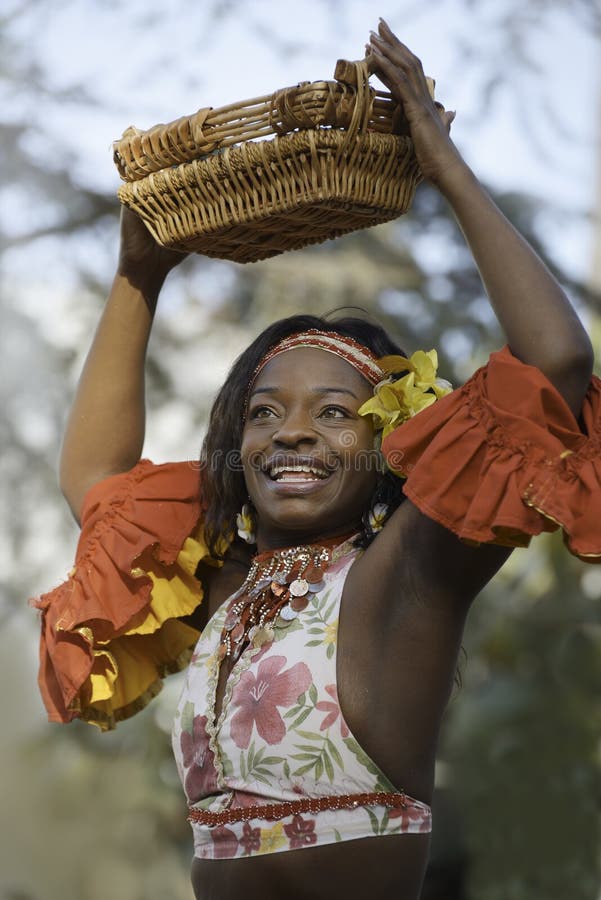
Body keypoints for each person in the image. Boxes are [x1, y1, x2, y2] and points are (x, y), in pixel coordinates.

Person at [33, 20, 600, 900]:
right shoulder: (226, 584)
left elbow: (555, 367)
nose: (290, 432)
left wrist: (443, 167)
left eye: (335, 413)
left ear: (390, 447)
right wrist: (137, 276)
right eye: (263, 413)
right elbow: (98, 485)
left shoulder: (405, 575)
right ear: (235, 442)